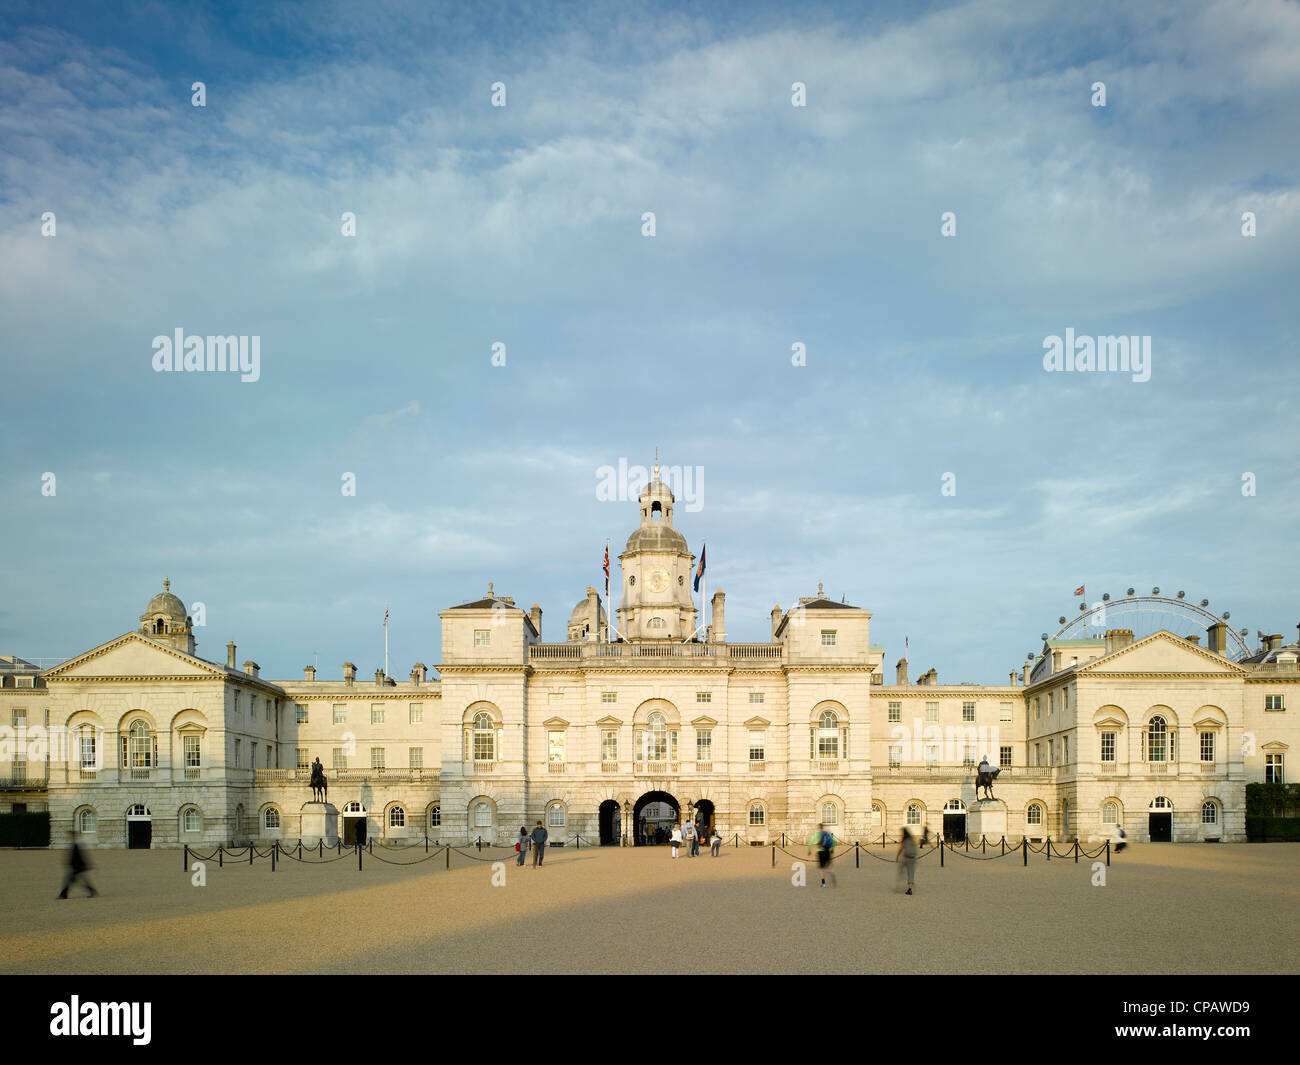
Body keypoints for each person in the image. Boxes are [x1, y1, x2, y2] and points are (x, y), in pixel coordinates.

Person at [57, 831, 97, 899]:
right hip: (77, 867)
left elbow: (79, 857)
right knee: (75, 881)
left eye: (70, 836)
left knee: (69, 882)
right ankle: (92, 891)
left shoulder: (76, 845)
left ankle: (63, 895)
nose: (68, 838)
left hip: (77, 867)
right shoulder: (74, 845)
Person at [808, 822, 836, 887]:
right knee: (828, 866)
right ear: (823, 827)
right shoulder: (827, 834)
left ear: (818, 828)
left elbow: (810, 843)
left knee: (821, 868)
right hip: (827, 851)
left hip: (821, 852)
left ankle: (823, 883)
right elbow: (834, 842)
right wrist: (832, 849)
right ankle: (831, 872)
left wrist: (809, 851)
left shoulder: (817, 834)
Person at [896, 826, 920, 895]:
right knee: (911, 873)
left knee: (901, 870)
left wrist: (897, 856)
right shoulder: (912, 839)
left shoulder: (904, 839)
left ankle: (898, 885)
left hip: (906, 857)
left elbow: (900, 849)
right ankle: (910, 888)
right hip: (913, 858)